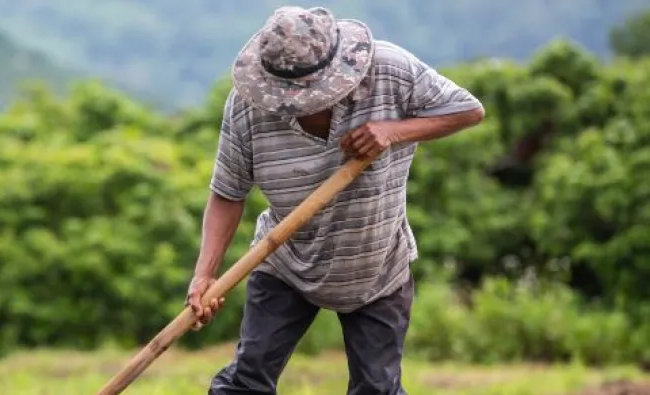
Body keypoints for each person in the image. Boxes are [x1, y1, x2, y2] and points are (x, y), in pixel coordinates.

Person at [187, 5, 485, 395]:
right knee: (246, 383)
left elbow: (468, 111)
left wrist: (393, 131)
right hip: (285, 262)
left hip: (377, 267)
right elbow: (227, 192)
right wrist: (204, 274)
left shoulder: (389, 70)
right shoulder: (247, 106)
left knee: (377, 389)